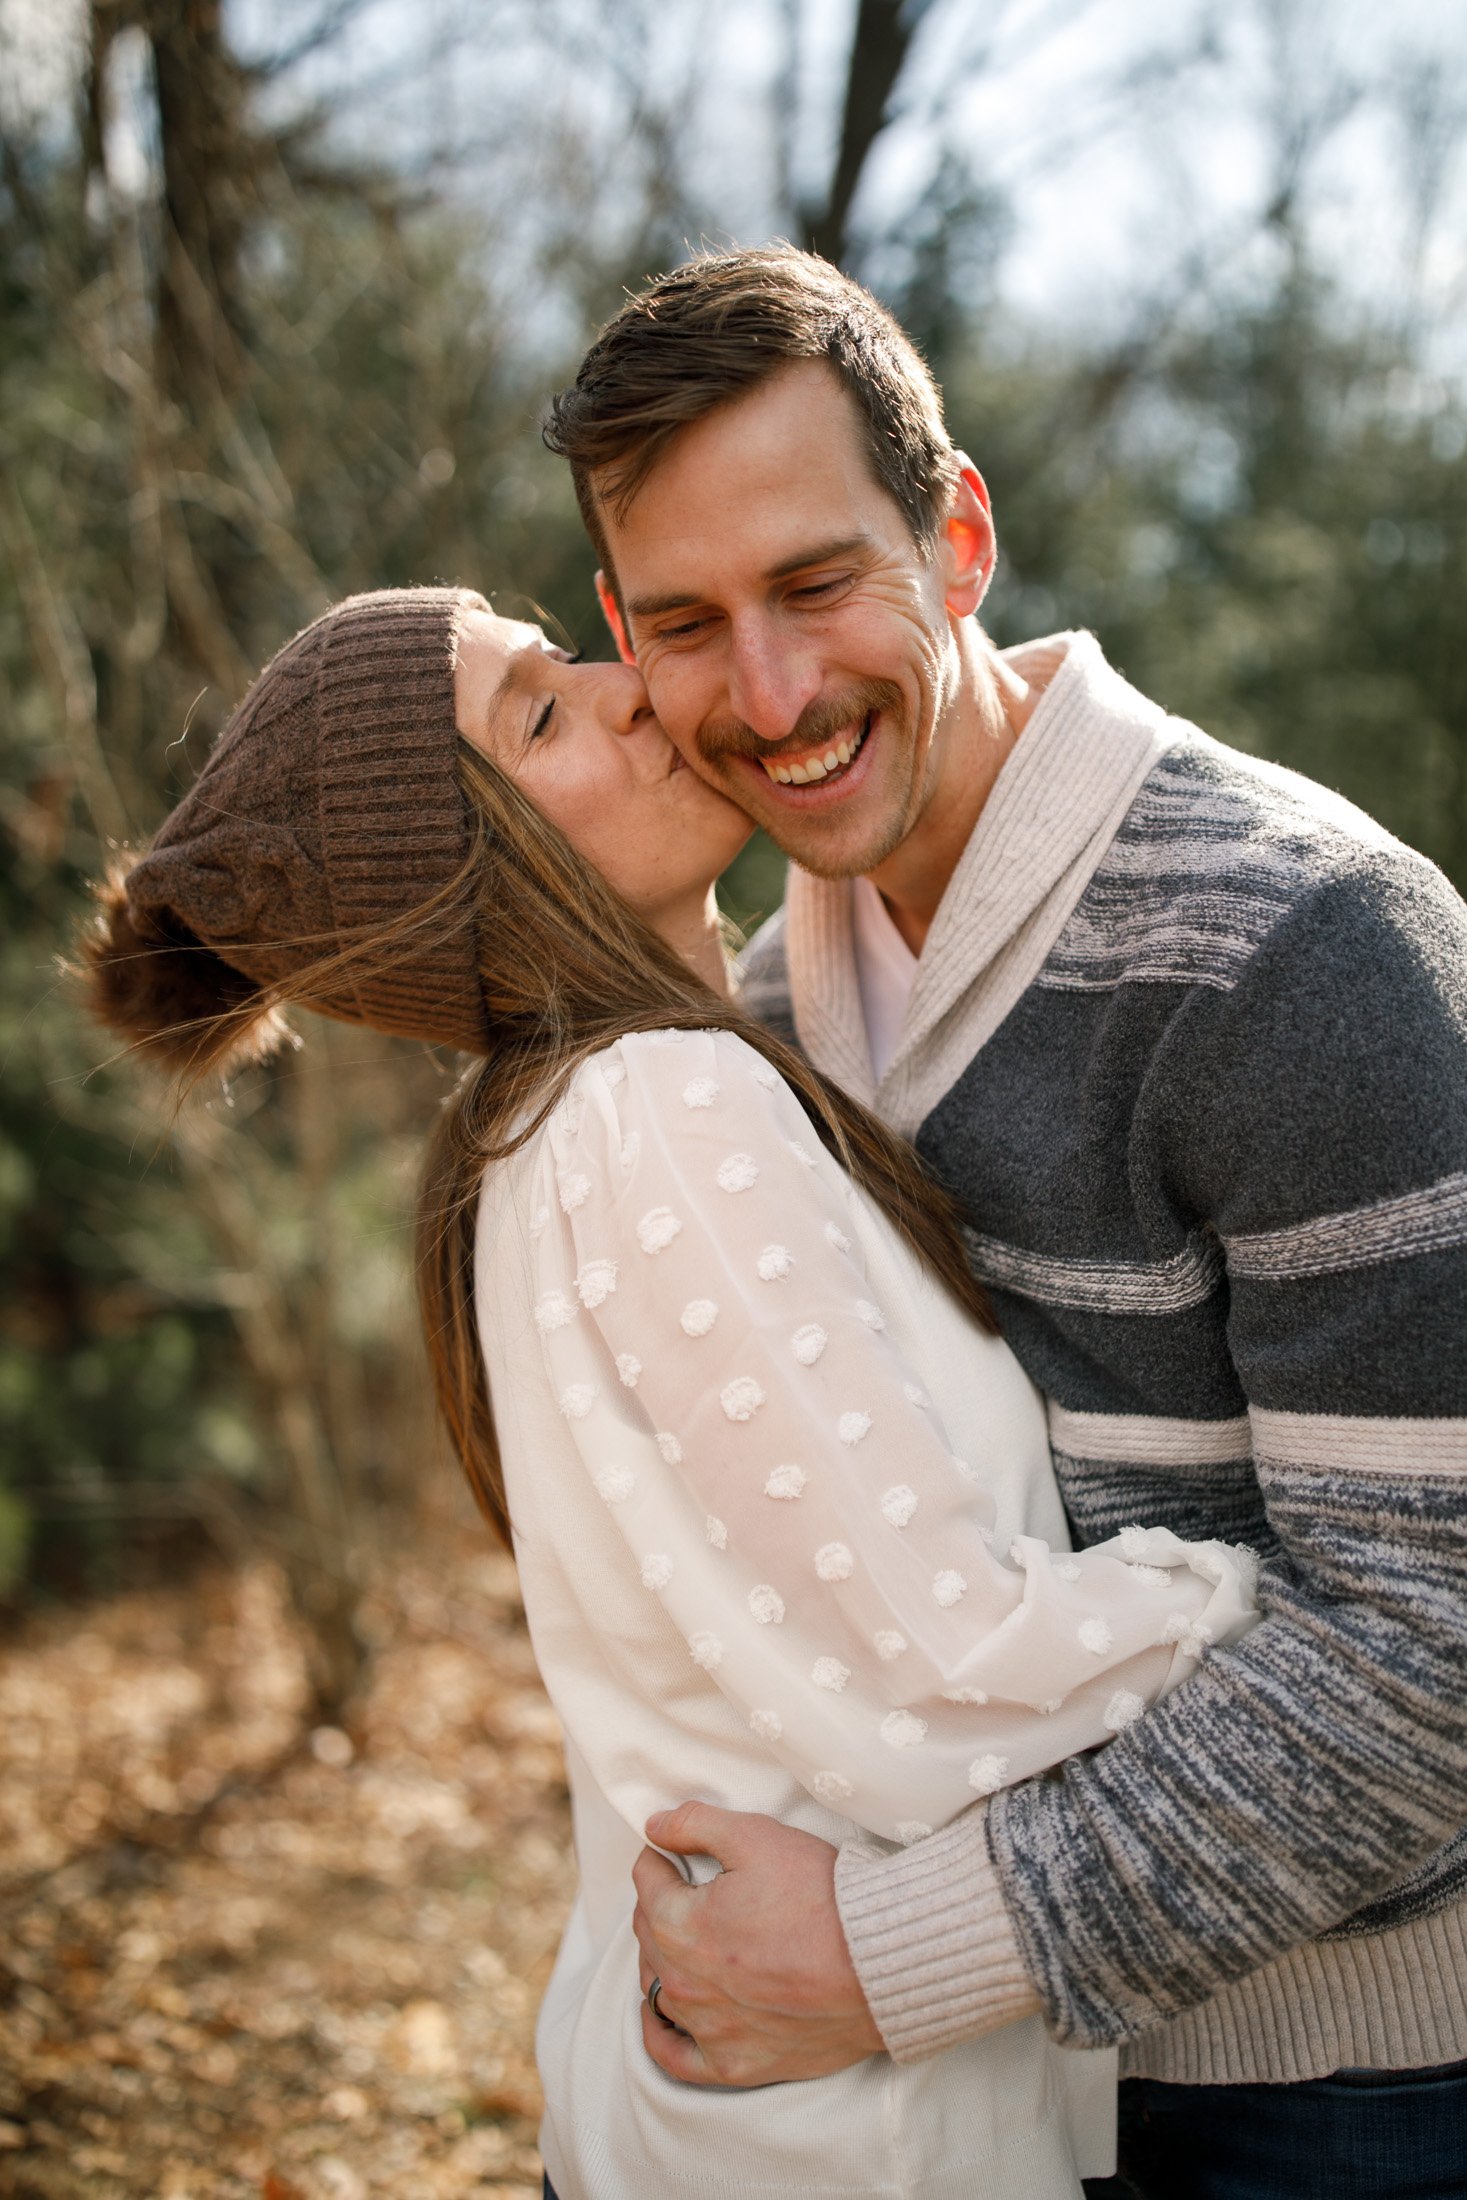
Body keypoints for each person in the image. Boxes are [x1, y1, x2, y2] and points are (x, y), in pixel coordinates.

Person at [81, 584, 1262, 2200]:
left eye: (563, 652)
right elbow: (949, 1679)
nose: (628, 687)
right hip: (845, 2142)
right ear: (472, 880)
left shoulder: (576, 1119)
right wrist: (1282, 1605)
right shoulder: (658, 1109)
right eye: (540, 716)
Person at [540, 244, 1467, 2197]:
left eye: (815, 583)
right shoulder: (769, 1016)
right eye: (692, 622)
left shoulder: (1305, 947)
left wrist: (888, 1952)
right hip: (985, 2092)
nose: (772, 693)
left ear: (955, 536)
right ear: (618, 632)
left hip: (1348, 2082)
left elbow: (1430, 1641)